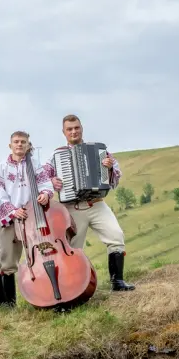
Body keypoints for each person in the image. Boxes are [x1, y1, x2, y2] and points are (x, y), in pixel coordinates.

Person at [47, 115, 134, 291]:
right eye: (69, 129)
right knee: (72, 249)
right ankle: (71, 289)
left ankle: (117, 283)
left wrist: (109, 167)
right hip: (73, 207)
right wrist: (52, 181)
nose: (73, 131)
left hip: (96, 203)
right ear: (63, 132)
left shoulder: (100, 151)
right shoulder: (57, 155)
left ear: (81, 128)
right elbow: (43, 178)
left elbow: (116, 175)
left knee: (116, 236)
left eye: (76, 128)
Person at [0, 131, 54, 306]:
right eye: (16, 142)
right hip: (11, 218)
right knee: (8, 262)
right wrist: (12, 210)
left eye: (23, 142)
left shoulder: (35, 164)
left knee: (42, 255)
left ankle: (46, 295)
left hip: (33, 216)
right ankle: (9, 304)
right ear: (10, 145)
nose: (19, 145)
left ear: (27, 145)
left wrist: (45, 194)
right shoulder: (1, 167)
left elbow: (46, 184)